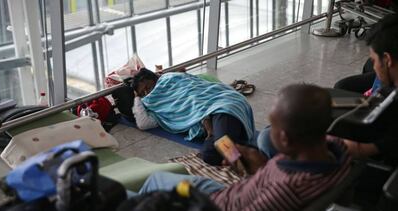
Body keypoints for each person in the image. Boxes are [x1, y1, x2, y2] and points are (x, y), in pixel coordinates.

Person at [134, 84, 352, 211]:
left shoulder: (286, 190)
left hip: (211, 204)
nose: (267, 129)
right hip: (227, 192)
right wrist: (260, 168)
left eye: (272, 125)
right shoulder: (336, 147)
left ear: (285, 139)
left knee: (154, 185)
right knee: (158, 180)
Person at [259, 14, 398, 164]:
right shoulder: (390, 90)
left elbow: (359, 150)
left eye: (374, 60)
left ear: (388, 60)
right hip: (363, 124)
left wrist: (312, 142)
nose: (374, 66)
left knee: (267, 138)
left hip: (350, 155)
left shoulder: (392, 113)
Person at [131, 68, 256, 165]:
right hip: (215, 116)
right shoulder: (154, 105)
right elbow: (143, 123)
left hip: (222, 104)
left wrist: (205, 117)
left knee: (221, 146)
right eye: (143, 93)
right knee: (209, 153)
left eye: (148, 87)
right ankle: (244, 151)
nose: (148, 93)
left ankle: (244, 166)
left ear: (155, 78)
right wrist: (137, 98)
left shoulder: (171, 78)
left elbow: (193, 96)